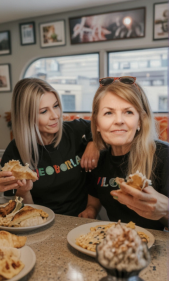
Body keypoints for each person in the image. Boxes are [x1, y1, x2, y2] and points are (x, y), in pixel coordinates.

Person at [79, 76, 169, 230]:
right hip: (116, 241)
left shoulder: (164, 156)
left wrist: (166, 211)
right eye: (108, 113)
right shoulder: (99, 159)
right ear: (97, 123)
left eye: (128, 112)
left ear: (140, 121)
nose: (119, 120)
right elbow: (94, 196)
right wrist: (91, 209)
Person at [1, 78, 100, 217]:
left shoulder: (75, 131)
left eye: (56, 106)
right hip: (43, 221)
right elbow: (26, 213)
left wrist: (94, 143)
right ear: (27, 117)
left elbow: (99, 126)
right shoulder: (14, 153)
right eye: (43, 111)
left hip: (83, 219)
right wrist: (23, 191)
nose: (55, 116)